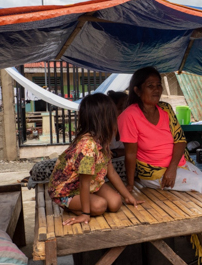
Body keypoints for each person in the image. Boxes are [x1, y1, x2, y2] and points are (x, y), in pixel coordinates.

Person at [118, 67, 202, 201]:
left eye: (158, 85)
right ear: (137, 90)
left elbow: (180, 140)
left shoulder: (166, 108)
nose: (156, 89)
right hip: (154, 173)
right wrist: (130, 185)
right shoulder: (129, 116)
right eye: (150, 86)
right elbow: (130, 154)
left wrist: (172, 169)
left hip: (177, 165)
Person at [48, 93, 141, 226]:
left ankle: (86, 203)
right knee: (100, 206)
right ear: (106, 120)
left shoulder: (102, 142)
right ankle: (75, 207)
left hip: (89, 184)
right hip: (66, 191)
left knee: (115, 203)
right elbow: (83, 183)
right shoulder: (88, 146)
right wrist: (85, 214)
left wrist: (128, 197)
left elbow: (112, 173)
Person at [107, 91, 128, 158]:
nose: (125, 110)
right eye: (120, 107)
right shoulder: (104, 129)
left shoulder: (131, 126)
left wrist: (115, 153)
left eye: (127, 107)